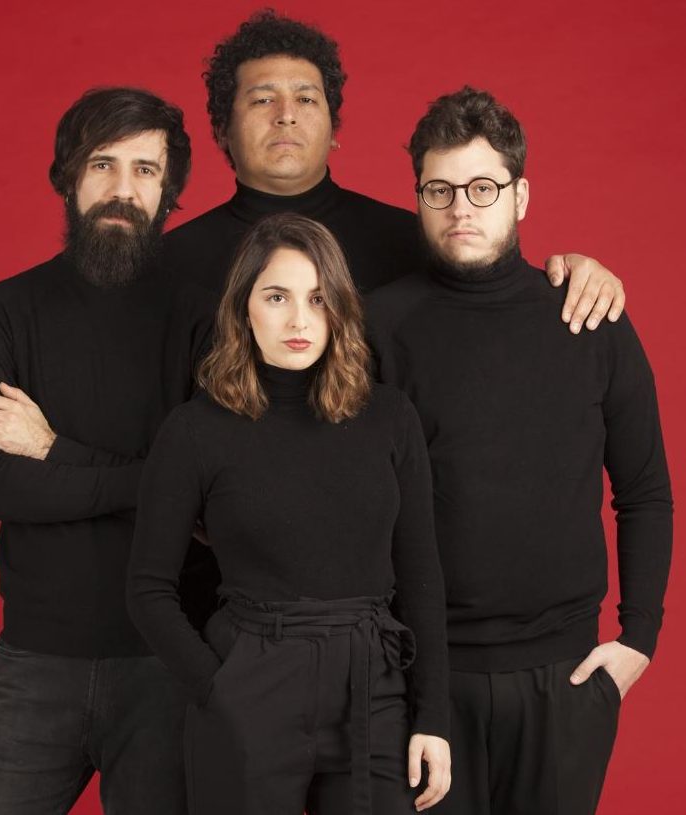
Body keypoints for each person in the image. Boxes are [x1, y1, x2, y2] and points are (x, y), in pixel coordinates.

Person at [367, 86, 675, 815]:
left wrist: (639, 635)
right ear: (418, 198)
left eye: (483, 187)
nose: (461, 208)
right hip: (420, 677)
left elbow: (644, 491)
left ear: (521, 195)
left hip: (564, 676)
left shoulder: (589, 318)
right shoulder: (377, 327)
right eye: (439, 190)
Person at [128, 213, 452, 814]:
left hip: (372, 683)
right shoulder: (196, 430)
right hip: (249, 679)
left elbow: (421, 575)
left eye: (318, 299)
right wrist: (217, 688)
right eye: (277, 297)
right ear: (243, 307)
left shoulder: (390, 418)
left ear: (340, 309)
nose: (300, 320)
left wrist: (433, 716)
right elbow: (148, 589)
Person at [0, 87, 215, 814]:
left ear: (168, 192)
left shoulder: (206, 320)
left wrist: (52, 448)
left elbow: (207, 496)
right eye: (103, 164)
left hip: (169, 662)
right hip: (34, 663)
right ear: (67, 176)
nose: (123, 189)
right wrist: (153, 483)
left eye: (145, 170)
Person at [166, 8, 627, 335]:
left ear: (334, 128)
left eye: (306, 99)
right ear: (222, 129)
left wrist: (576, 274)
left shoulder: (412, 239)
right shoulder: (171, 263)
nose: (286, 115)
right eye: (263, 99)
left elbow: (499, 296)